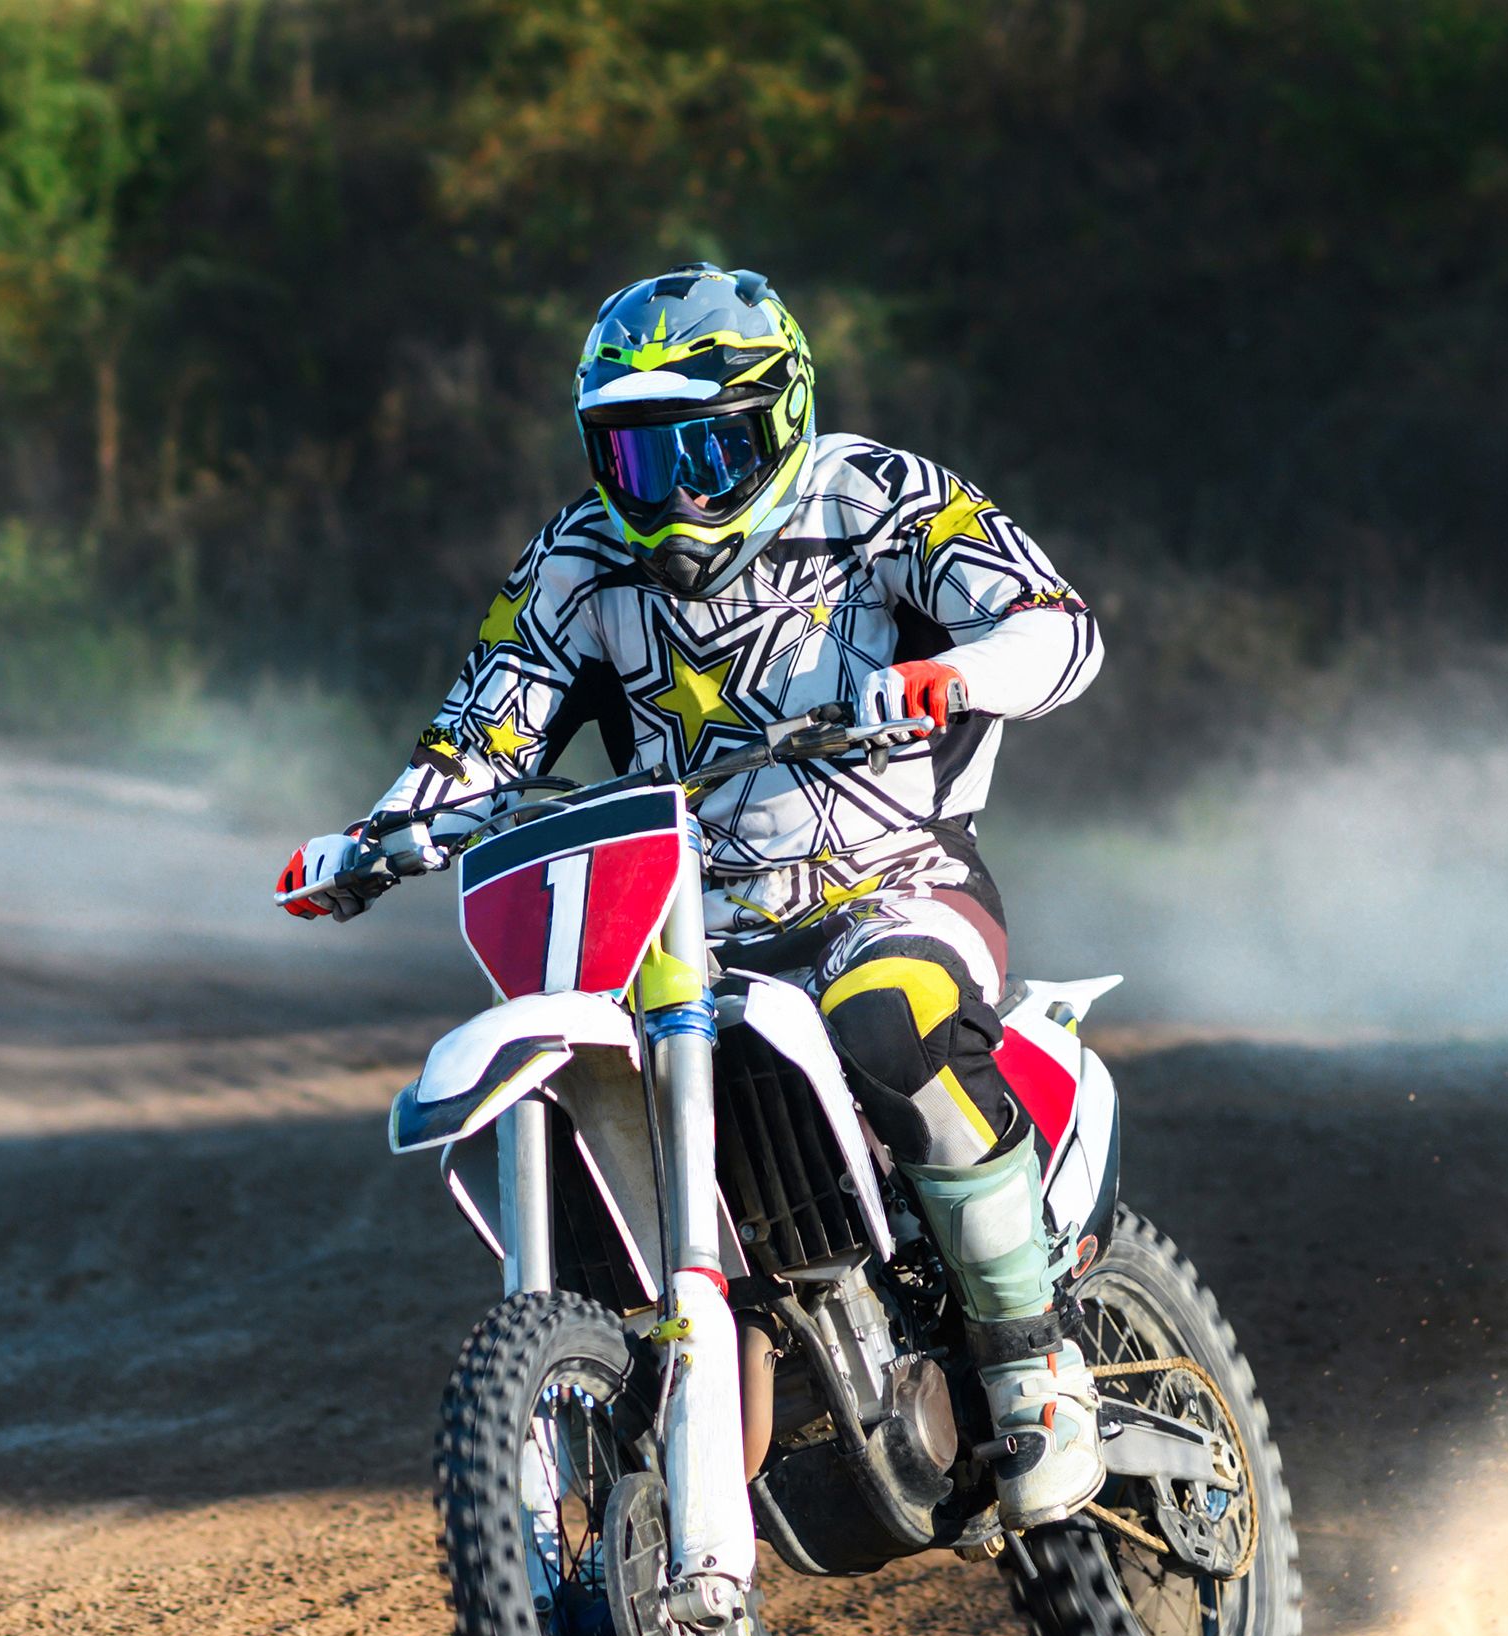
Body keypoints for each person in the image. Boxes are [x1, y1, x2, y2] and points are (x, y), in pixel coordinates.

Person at [275, 262, 1111, 1528]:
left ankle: (1030, 1360)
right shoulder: (576, 561)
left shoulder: (877, 494)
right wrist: (376, 837)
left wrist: (956, 673)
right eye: (635, 458)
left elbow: (1056, 627)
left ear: (777, 416)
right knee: (593, 1119)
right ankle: (672, 1400)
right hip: (687, 946)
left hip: (897, 887)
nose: (670, 494)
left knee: (886, 1023)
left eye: (702, 451)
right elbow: (478, 738)